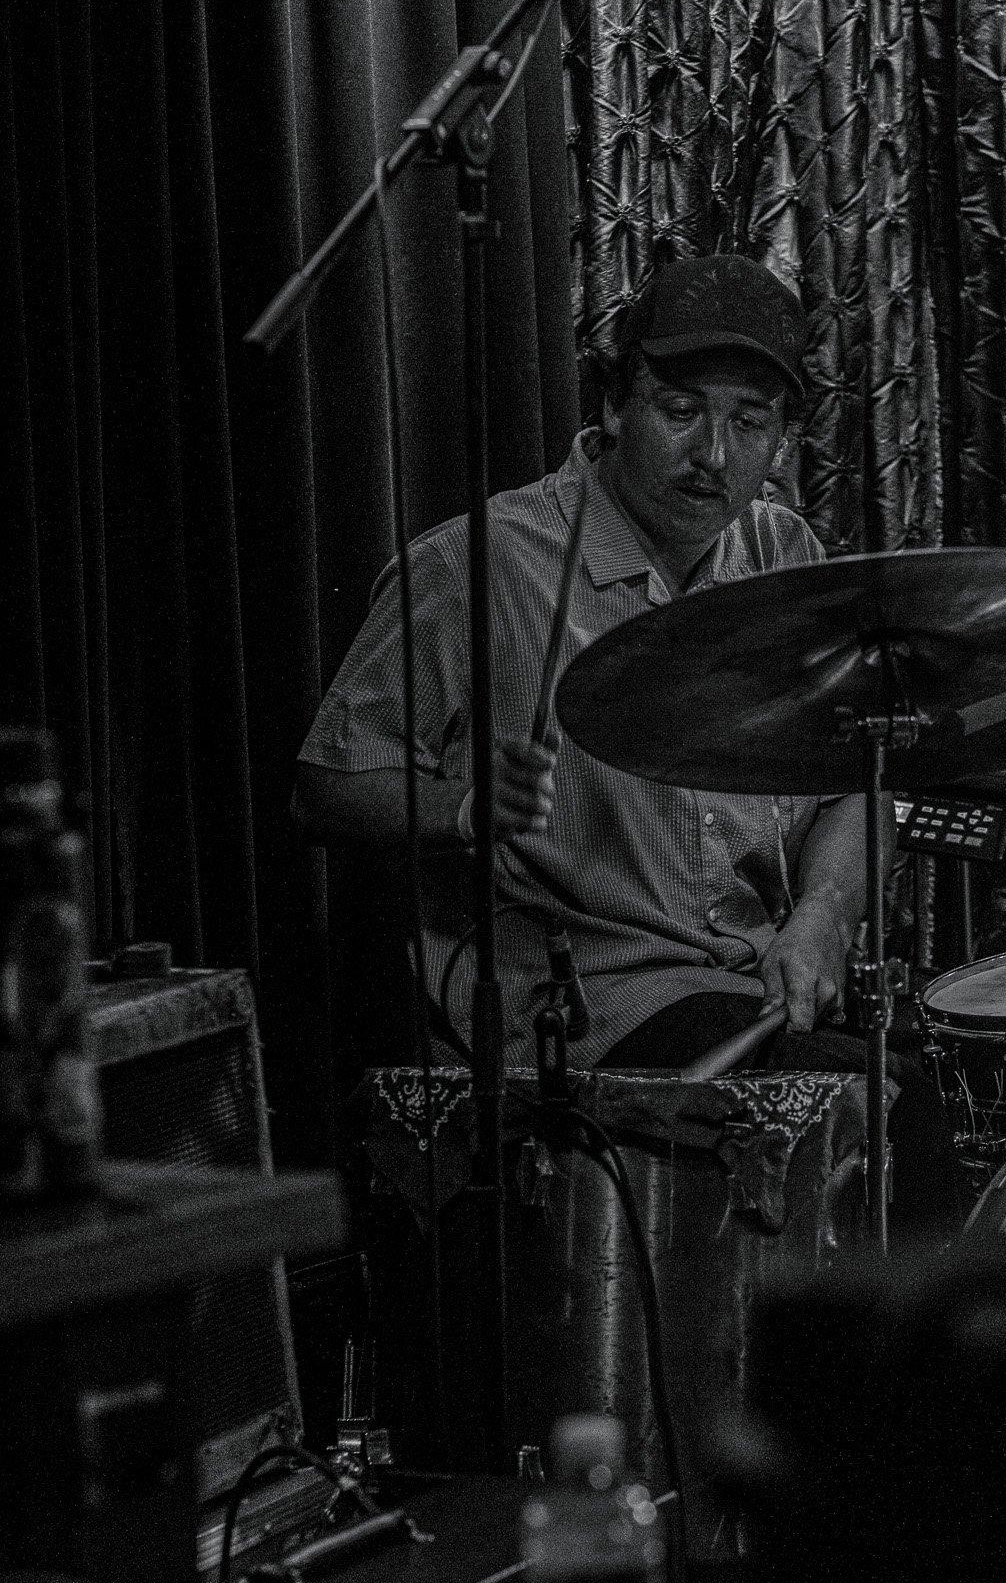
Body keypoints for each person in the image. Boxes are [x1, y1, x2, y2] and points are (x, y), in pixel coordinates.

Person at [295, 254, 965, 1237]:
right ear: (616, 401)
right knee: (875, 1113)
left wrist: (822, 913)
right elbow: (322, 784)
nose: (713, 454)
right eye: (682, 407)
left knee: (921, 1093)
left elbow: (856, 783)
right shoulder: (475, 564)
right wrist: (455, 805)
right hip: (582, 1004)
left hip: (747, 985)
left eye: (750, 421)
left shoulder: (784, 556)